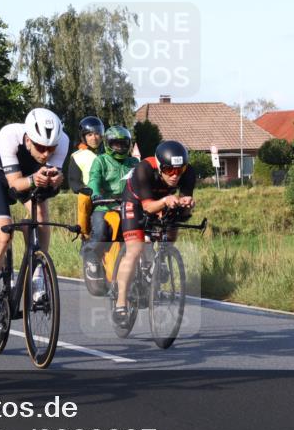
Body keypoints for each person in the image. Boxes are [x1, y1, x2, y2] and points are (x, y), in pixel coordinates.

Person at [0, 108, 69, 332]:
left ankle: (37, 274)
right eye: (41, 148)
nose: (46, 154)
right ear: (28, 139)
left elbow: (51, 182)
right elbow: (15, 185)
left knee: (41, 215)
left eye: (51, 148)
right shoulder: (10, 135)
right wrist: (36, 178)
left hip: (30, 176)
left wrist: (56, 180)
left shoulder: (62, 140)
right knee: (3, 236)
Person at [114, 140, 197, 319]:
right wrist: (166, 200)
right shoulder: (144, 169)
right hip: (136, 202)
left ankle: (162, 256)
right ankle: (121, 302)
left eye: (179, 170)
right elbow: (148, 208)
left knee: (175, 220)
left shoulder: (189, 172)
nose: (175, 175)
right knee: (135, 250)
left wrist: (187, 204)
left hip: (161, 199)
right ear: (160, 167)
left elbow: (184, 207)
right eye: (169, 170)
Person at [86, 126, 138, 275]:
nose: (120, 147)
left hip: (129, 206)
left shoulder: (133, 162)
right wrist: (96, 194)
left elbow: (143, 180)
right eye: (116, 144)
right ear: (108, 144)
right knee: (101, 231)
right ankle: (91, 254)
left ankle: (149, 264)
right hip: (104, 206)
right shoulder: (100, 161)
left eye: (123, 144)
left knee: (148, 231)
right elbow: (94, 179)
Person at [67, 116, 105, 239]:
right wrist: (85, 189)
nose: (94, 138)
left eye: (97, 134)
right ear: (83, 137)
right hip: (91, 199)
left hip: (109, 196)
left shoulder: (108, 154)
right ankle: (84, 233)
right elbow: (74, 181)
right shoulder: (77, 156)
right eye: (89, 135)